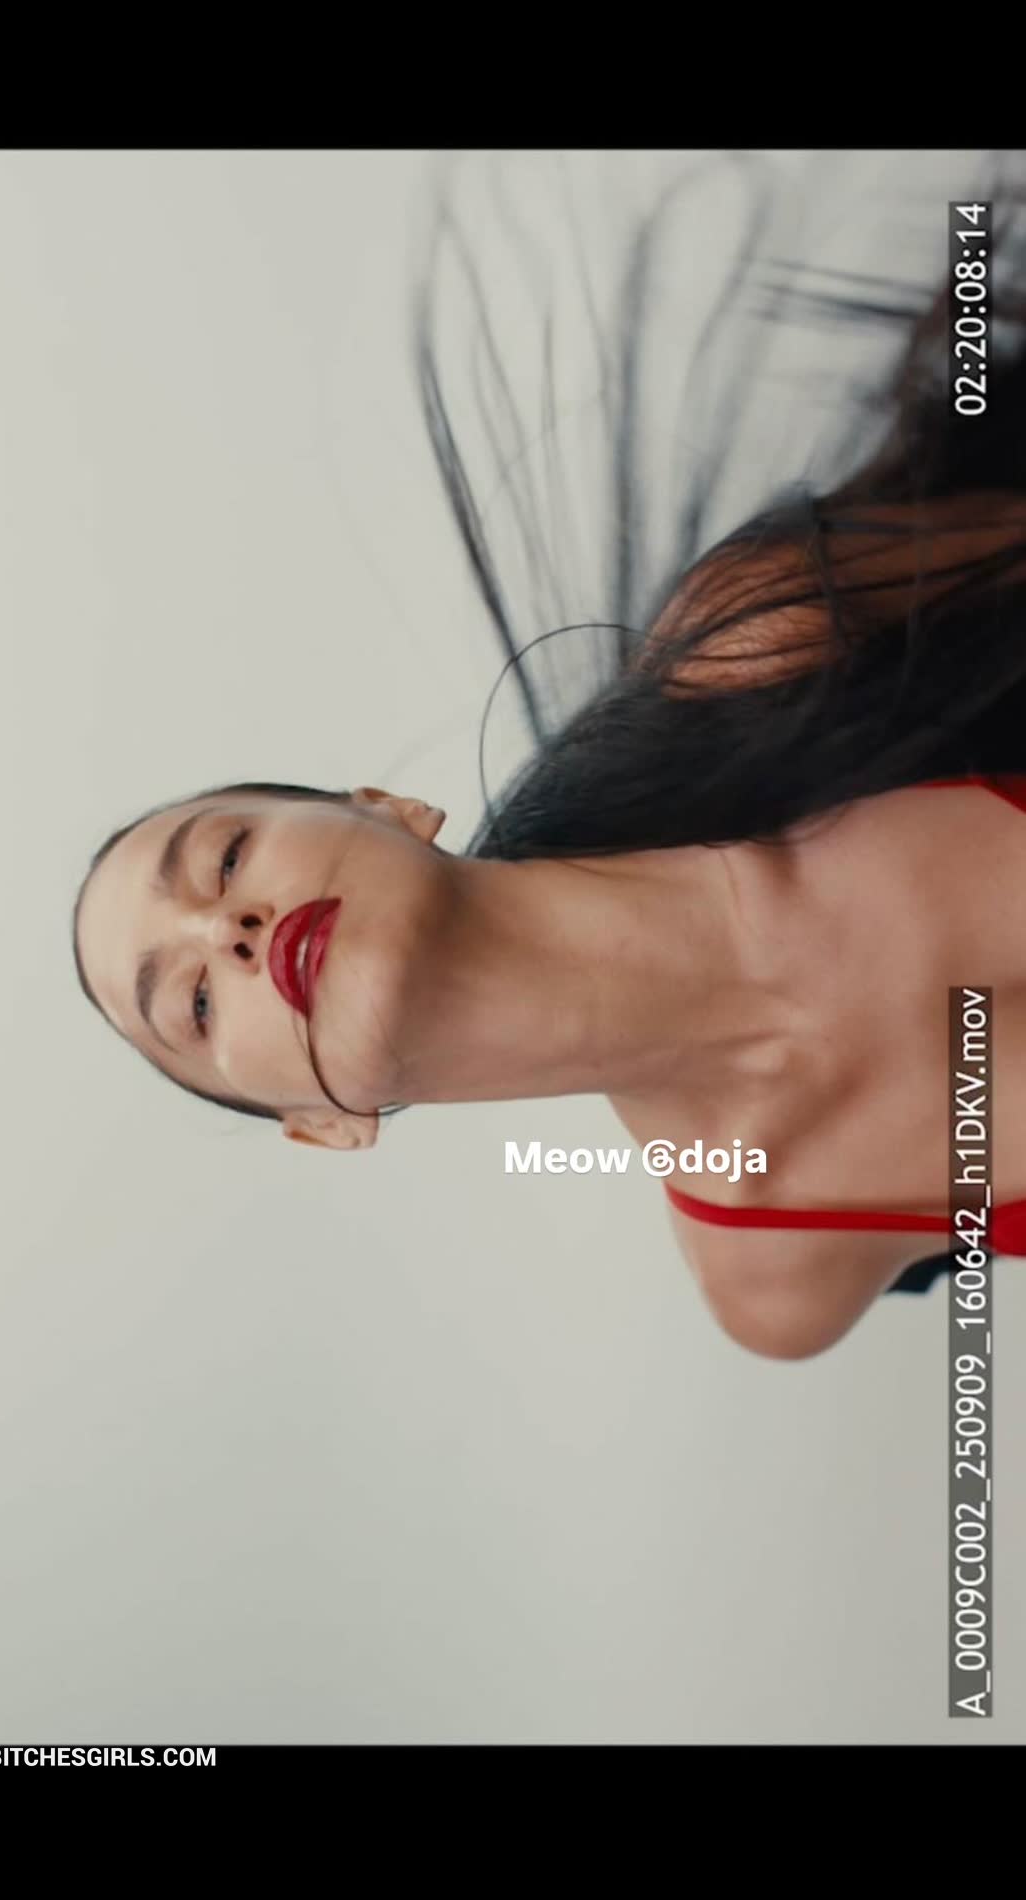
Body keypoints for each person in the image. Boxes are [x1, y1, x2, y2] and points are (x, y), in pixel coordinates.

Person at [72, 151, 1026, 1360]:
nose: (231, 932)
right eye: (198, 1002)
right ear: (321, 1124)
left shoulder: (761, 644)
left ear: (387, 805)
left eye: (224, 859)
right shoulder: (778, 1280)